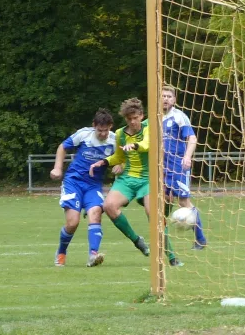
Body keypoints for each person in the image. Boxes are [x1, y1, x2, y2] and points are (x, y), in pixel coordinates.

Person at [51, 108, 116, 267]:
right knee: (73, 223)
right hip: (74, 182)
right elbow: (62, 147)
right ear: (94, 126)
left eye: (105, 130)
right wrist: (57, 168)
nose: (102, 134)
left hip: (93, 185)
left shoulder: (115, 140)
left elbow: (121, 157)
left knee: (95, 214)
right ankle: (61, 252)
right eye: (99, 130)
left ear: (111, 127)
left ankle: (93, 255)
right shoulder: (84, 134)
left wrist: (119, 165)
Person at [89, 98, 151, 258]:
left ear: (141, 116)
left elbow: (147, 144)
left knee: (153, 213)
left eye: (135, 118)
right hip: (128, 179)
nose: (132, 122)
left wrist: (135, 146)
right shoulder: (120, 134)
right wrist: (103, 162)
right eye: (129, 119)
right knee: (109, 206)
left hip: (148, 179)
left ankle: (170, 255)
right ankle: (137, 241)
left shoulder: (149, 127)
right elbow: (118, 156)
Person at [162, 85, 207, 250]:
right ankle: (160, 238)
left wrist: (187, 157)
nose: (165, 98)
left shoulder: (179, 117)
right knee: (163, 200)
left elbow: (192, 138)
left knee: (183, 201)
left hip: (178, 167)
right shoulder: (154, 118)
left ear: (174, 100)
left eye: (169, 96)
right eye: (163, 96)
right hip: (162, 168)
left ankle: (200, 239)